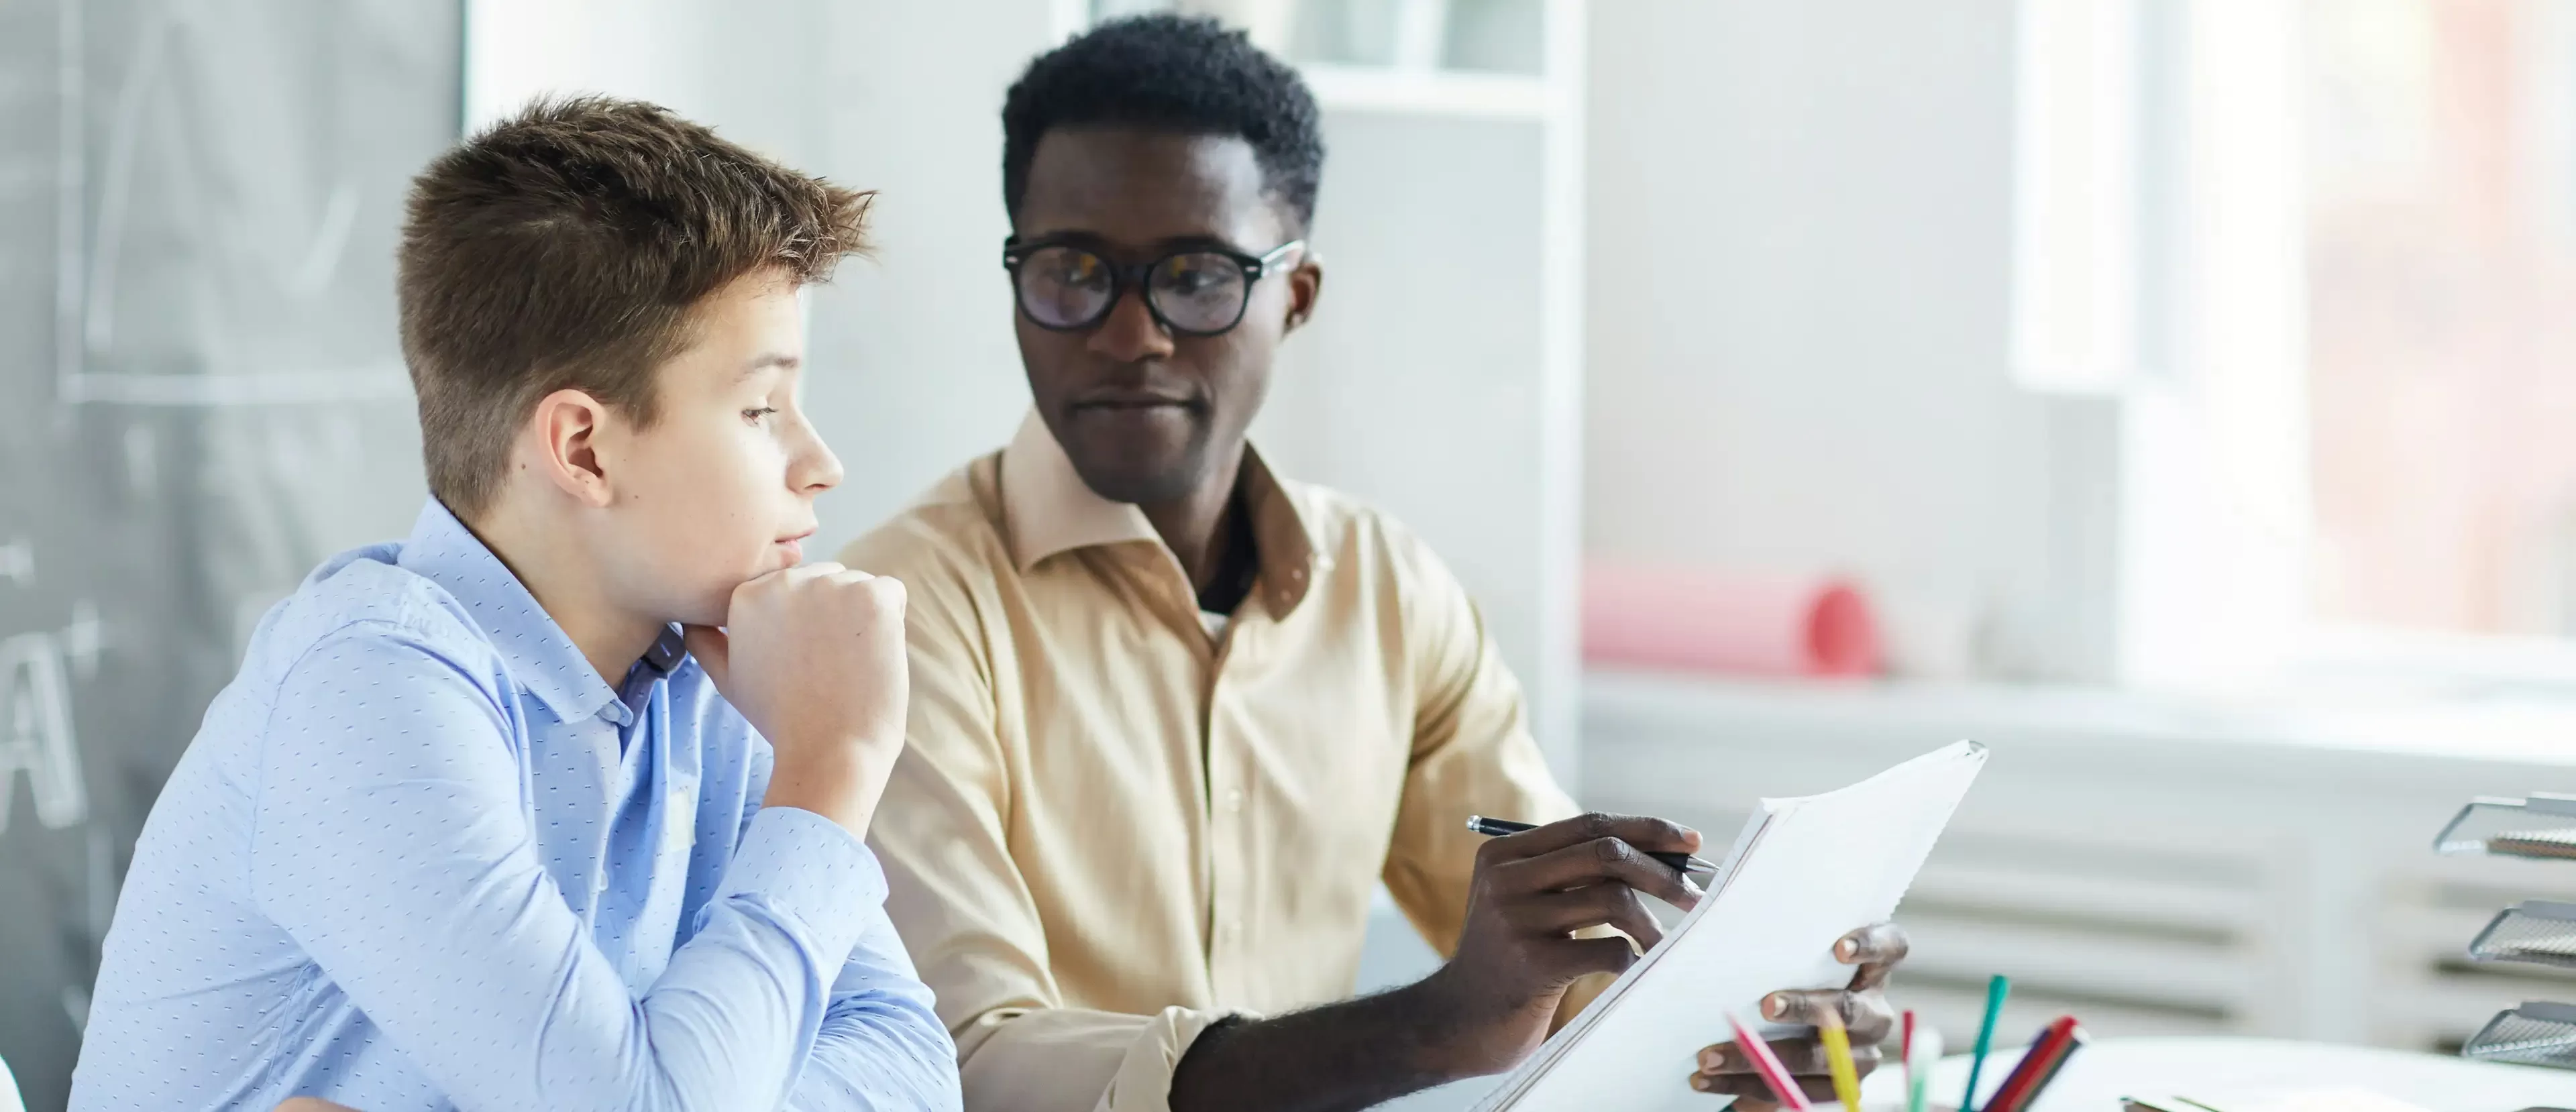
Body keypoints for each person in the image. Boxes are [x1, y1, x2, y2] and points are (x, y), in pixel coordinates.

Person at [841, 15, 1905, 1112]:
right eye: (1072, 272)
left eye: (1198, 277)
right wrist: (1439, 1024)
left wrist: (1752, 1037)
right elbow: (966, 1061)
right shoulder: (898, 613)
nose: (1130, 334)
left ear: (1294, 298)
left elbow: (1580, 954)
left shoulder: (1389, 592)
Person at [69, 97, 961, 1112]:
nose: (822, 463)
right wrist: (833, 768)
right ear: (583, 446)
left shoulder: (709, 668)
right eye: (761, 408)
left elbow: (912, 1073)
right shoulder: (366, 686)